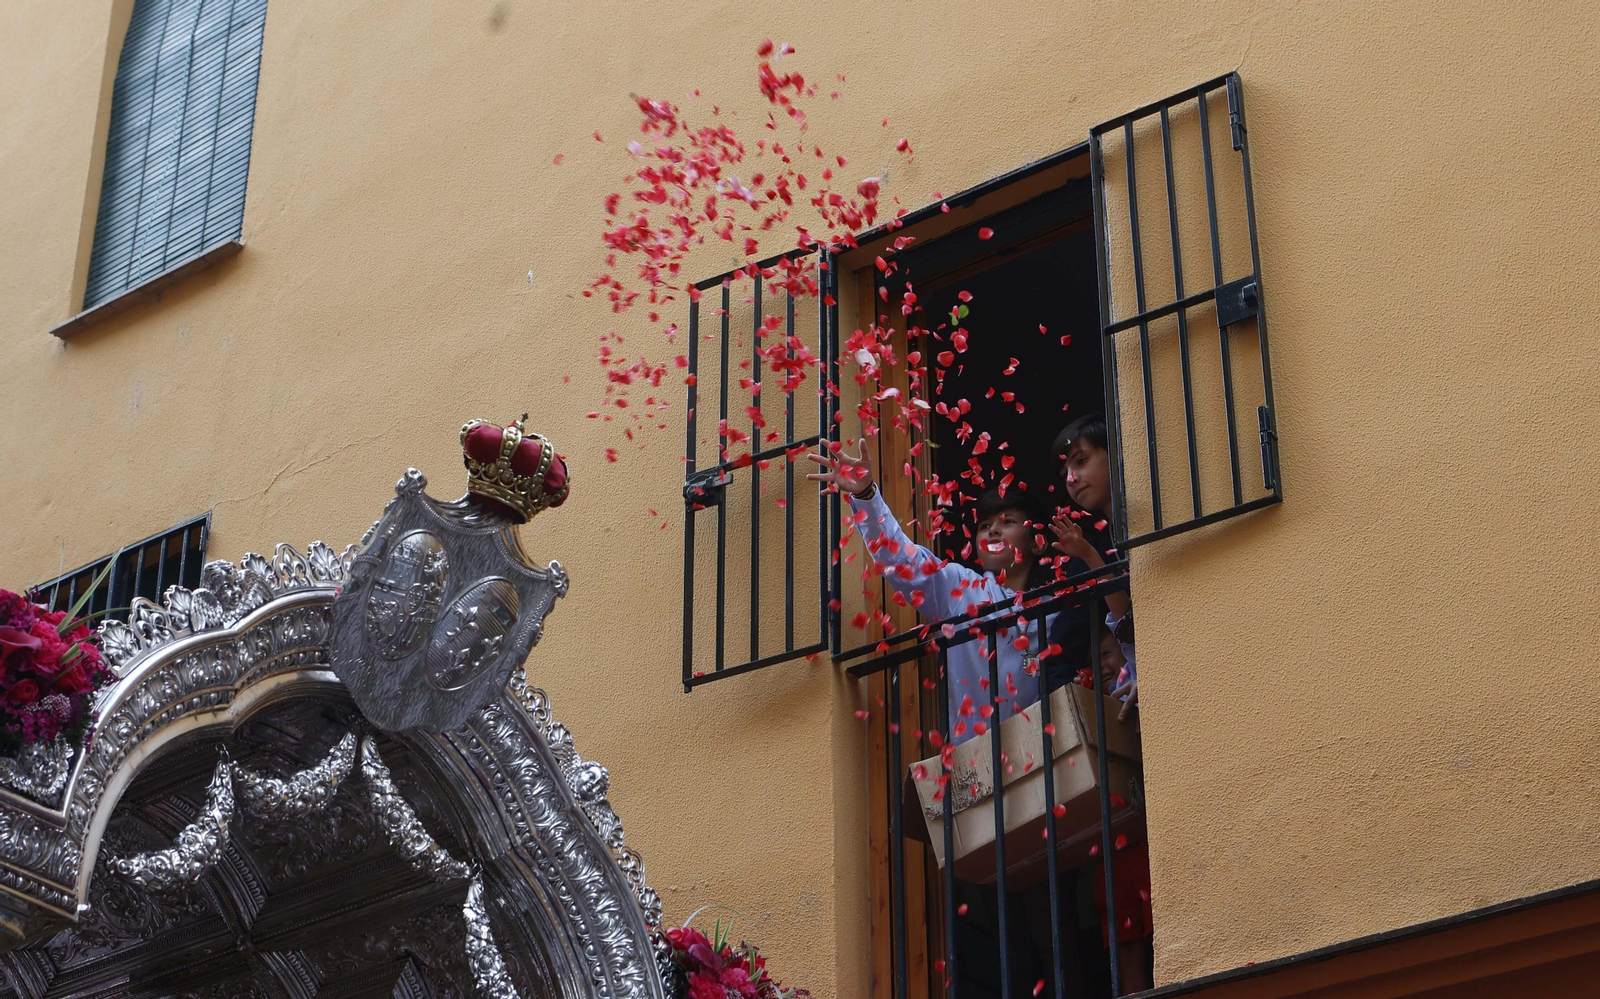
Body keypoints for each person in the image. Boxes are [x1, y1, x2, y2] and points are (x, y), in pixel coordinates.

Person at [806, 441, 1051, 738]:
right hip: (979, 769)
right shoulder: (962, 587)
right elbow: (903, 560)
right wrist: (865, 493)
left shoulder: (1059, 606)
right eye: (984, 525)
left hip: (1051, 766)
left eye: (1007, 522)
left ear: (1037, 542)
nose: (993, 531)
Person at [1043, 414, 1137, 719]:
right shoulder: (1091, 548)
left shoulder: (1150, 518)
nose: (1071, 479)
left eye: (1081, 461)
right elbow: (1069, 634)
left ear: (1117, 452)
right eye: (1065, 472)